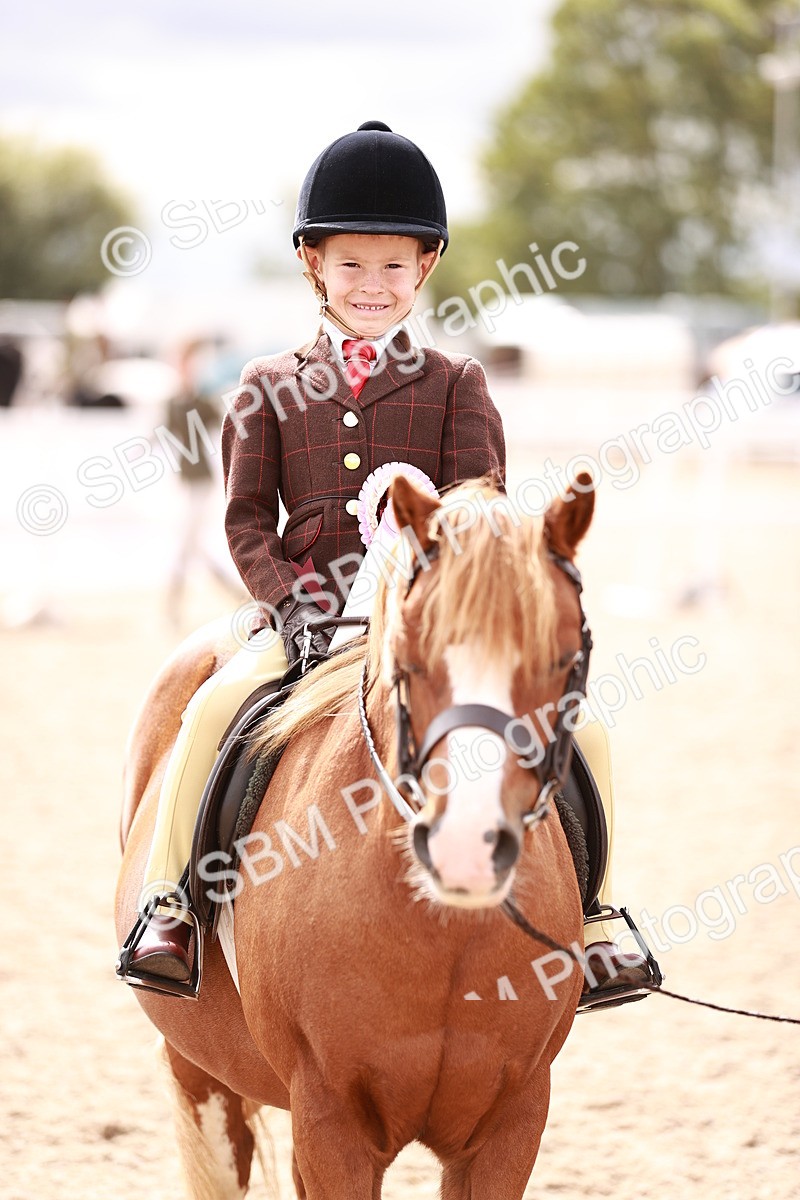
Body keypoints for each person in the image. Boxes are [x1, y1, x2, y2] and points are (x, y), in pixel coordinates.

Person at [119, 121, 654, 1002]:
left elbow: (482, 523)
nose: (373, 284)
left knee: (584, 730)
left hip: (426, 626)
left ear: (425, 267)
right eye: (352, 265)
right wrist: (291, 607)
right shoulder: (266, 385)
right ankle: (172, 903)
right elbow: (246, 520)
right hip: (302, 619)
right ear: (314, 264)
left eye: (394, 266)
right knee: (212, 706)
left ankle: (594, 917)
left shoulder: (456, 384)